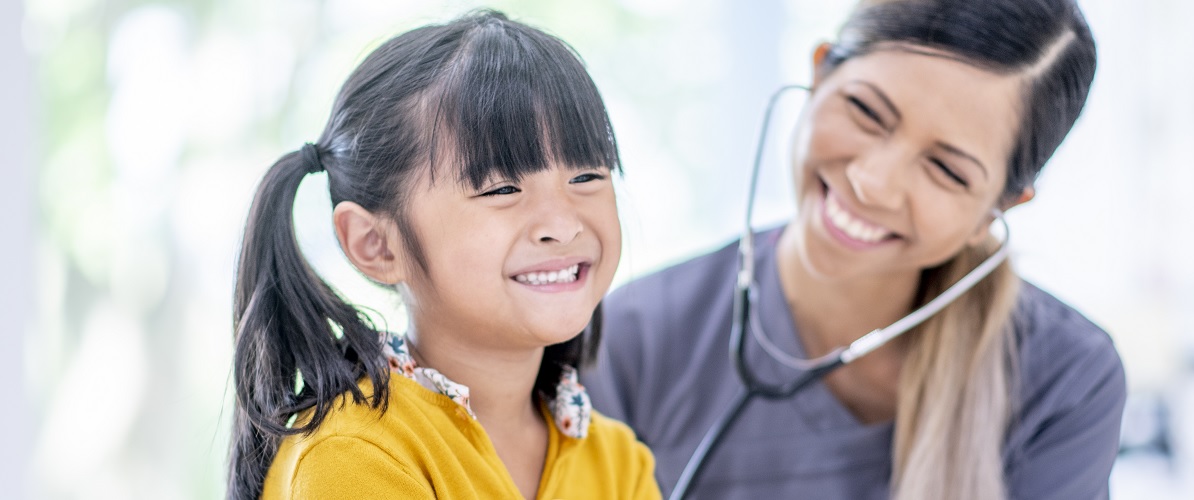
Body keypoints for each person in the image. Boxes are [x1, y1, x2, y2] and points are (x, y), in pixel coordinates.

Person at [582, 0, 1125, 499]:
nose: (874, 183)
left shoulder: (1066, 380)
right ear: (820, 73)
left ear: (1000, 206)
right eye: (867, 111)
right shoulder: (629, 341)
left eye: (945, 169)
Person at [227, 10, 660, 500]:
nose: (563, 225)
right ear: (376, 244)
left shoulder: (619, 461)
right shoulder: (353, 455)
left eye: (587, 177)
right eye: (502, 188)